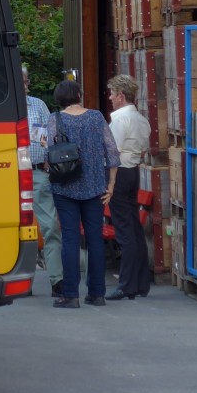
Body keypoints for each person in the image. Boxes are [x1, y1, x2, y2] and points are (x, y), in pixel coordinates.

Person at [48, 79, 119, 309]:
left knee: (70, 240)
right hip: (95, 187)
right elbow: (112, 152)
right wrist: (111, 184)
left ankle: (70, 295)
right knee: (95, 239)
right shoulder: (96, 117)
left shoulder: (55, 119)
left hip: (65, 187)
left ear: (59, 98)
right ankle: (97, 294)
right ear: (79, 94)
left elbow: (50, 152)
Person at [106, 74, 152, 300]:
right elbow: (142, 151)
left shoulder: (120, 120)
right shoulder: (141, 120)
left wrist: (110, 183)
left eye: (112, 94)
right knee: (133, 227)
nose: (110, 98)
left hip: (120, 173)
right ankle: (141, 283)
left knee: (124, 230)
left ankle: (126, 285)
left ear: (121, 96)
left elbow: (112, 154)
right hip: (133, 171)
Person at [23, 65, 63, 297]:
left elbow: (47, 139)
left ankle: (56, 280)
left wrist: (48, 159)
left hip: (37, 173)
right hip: (8, 175)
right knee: (17, 229)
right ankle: (21, 279)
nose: (26, 85)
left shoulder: (37, 106)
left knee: (49, 227)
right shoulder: (1, 109)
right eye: (22, 81)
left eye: (26, 81)